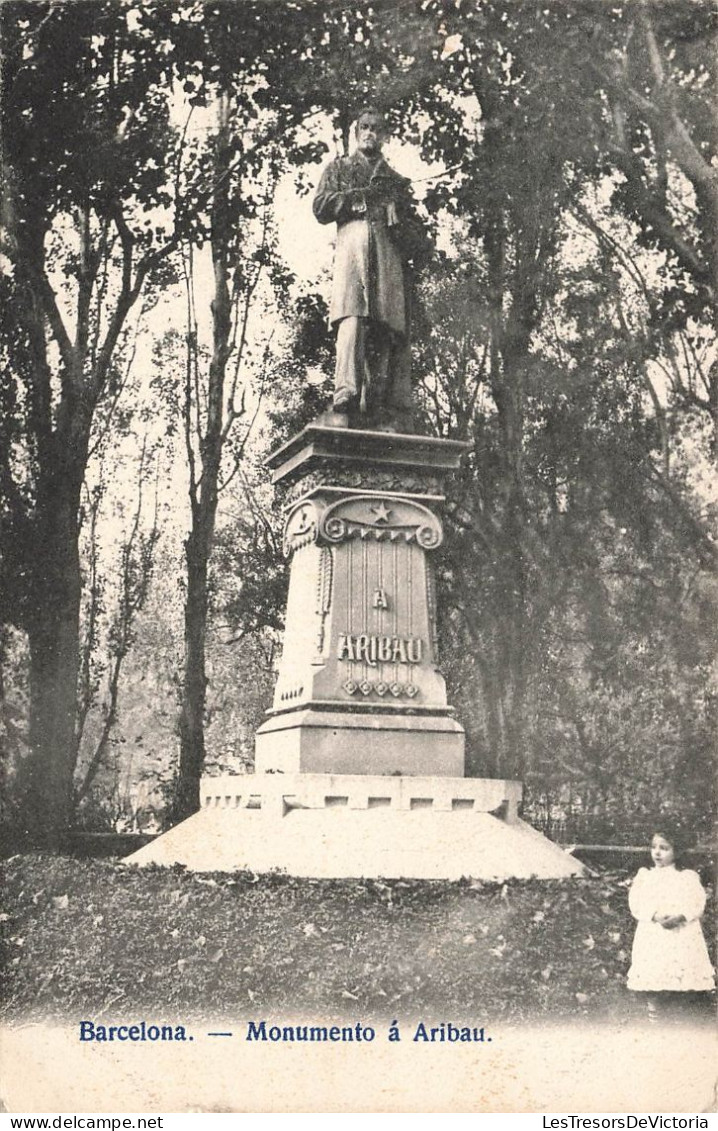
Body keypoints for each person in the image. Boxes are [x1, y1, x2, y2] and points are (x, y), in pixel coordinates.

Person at [312, 107, 431, 431]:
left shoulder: (395, 181)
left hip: (386, 252)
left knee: (384, 327)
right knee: (352, 318)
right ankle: (345, 395)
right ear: (356, 133)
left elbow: (417, 240)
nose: (370, 133)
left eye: (376, 129)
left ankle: (375, 403)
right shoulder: (339, 169)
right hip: (352, 248)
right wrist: (358, 198)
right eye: (364, 127)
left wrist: (399, 222)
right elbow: (321, 206)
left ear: (385, 136)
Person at [627, 826, 715, 1022]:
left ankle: (679, 1020)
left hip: (681, 934)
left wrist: (682, 916)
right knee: (653, 974)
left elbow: (697, 902)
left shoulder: (687, 877)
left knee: (679, 972)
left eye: (664, 848)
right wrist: (654, 915)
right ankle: (654, 1018)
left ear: (677, 851)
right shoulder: (645, 876)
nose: (657, 852)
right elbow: (636, 902)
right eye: (654, 847)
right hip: (653, 933)